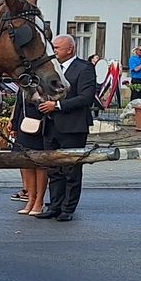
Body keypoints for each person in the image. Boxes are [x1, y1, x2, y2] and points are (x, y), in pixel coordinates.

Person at [35, 34, 96, 222]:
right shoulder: (53, 69)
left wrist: (58, 106)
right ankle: (54, 205)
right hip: (51, 125)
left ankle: (68, 208)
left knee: (71, 169)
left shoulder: (84, 68)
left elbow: (86, 97)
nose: (53, 52)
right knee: (53, 169)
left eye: (56, 49)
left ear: (70, 49)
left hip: (73, 127)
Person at [11, 87, 48, 216]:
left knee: (40, 164)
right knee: (26, 163)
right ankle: (30, 199)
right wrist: (14, 125)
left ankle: (39, 201)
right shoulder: (25, 85)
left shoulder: (45, 81)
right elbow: (19, 105)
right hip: (24, 125)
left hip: (42, 125)